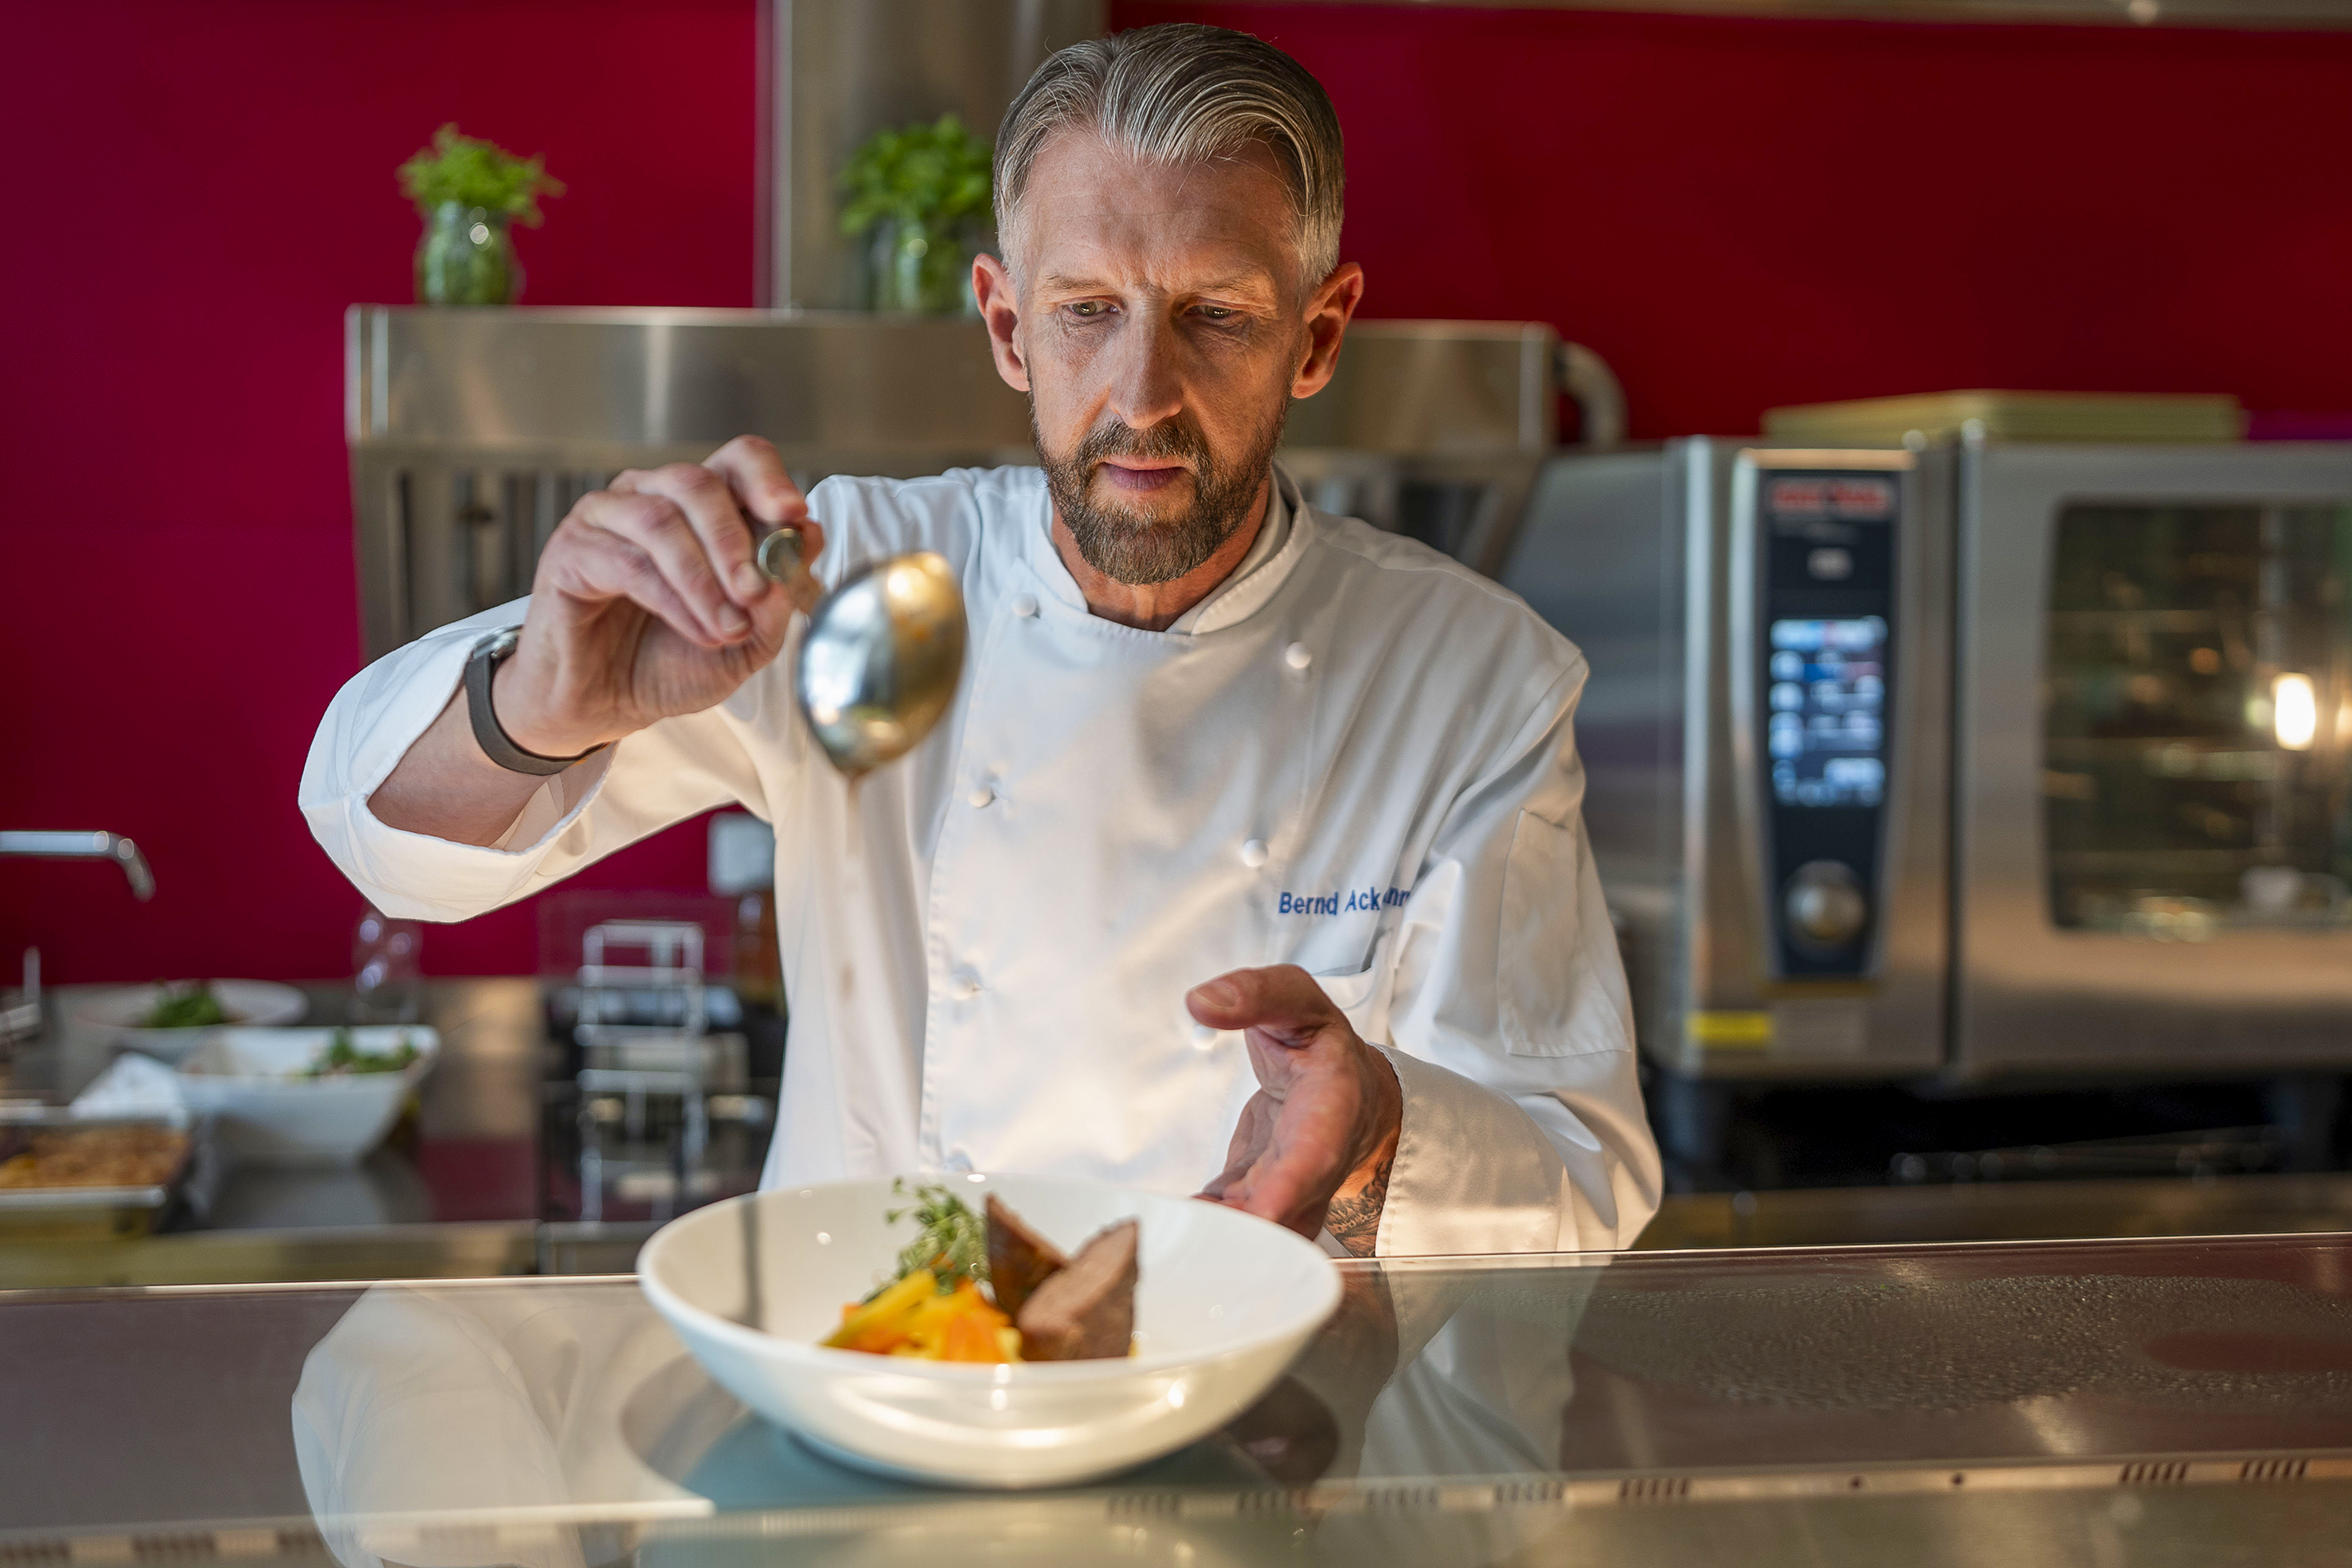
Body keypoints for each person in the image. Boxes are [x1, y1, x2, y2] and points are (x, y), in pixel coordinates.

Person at [301, 23, 1659, 1257]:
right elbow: (389, 847)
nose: (1144, 397)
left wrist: (1379, 1138)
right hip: (869, 1388)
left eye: (1217, 317)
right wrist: (540, 704)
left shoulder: (1471, 677)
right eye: (1086, 314)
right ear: (1008, 327)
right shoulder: (850, 584)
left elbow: (1580, 1178)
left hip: (1258, 1437)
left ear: (1318, 334)